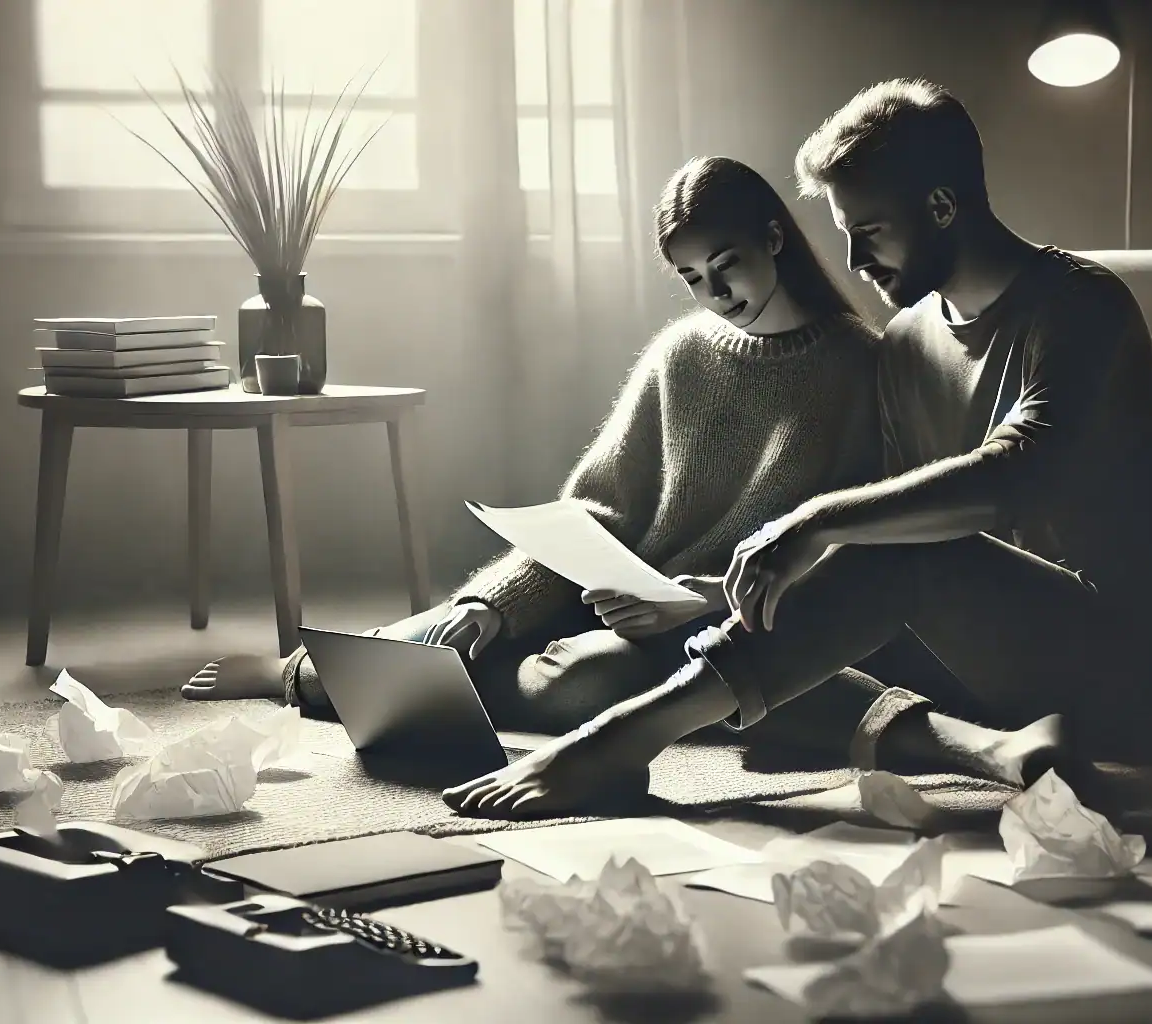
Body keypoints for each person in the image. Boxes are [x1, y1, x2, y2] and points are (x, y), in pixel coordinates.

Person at [444, 79, 1152, 818]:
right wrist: (725, 601)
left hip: (1112, 665)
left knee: (872, 571)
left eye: (868, 231)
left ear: (941, 206)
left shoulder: (1082, 305)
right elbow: (879, 564)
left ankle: (616, 741)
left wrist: (815, 522)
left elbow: (1013, 476)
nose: (853, 259)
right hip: (972, 661)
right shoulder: (906, 341)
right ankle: (993, 748)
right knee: (773, 647)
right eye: (842, 233)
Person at [183, 155, 891, 749]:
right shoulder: (679, 356)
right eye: (692, 278)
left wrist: (699, 600)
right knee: (459, 626)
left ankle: (422, 679)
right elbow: (594, 514)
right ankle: (296, 672)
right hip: (609, 602)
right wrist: (495, 606)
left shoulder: (862, 366)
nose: (714, 293)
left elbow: (866, 548)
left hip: (733, 623)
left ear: (774, 238)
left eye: (725, 265)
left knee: (579, 683)